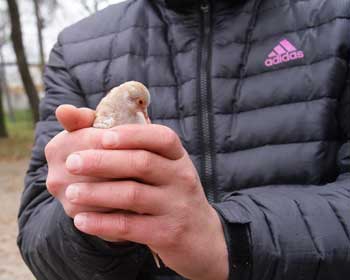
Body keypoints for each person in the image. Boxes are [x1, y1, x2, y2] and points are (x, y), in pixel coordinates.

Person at [18, 0, 350, 279]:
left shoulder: (339, 19)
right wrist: (98, 223)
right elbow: (37, 235)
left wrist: (229, 239)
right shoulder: (77, 48)